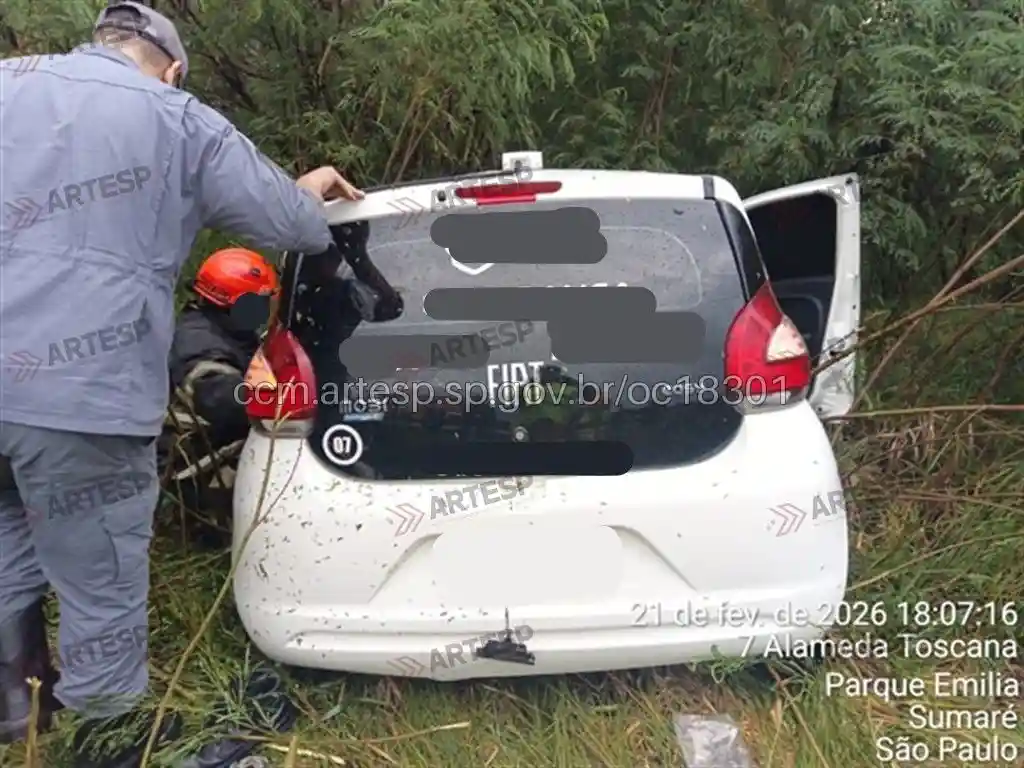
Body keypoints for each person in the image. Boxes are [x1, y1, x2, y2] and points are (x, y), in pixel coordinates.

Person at [0, 2, 363, 764]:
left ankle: (16, 707)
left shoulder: (9, 84)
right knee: (100, 578)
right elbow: (290, 227)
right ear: (171, 66)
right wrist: (305, 197)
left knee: (7, 540)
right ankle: (109, 743)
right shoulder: (176, 115)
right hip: (78, 393)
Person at [159, 248, 278, 547]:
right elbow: (231, 403)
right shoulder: (200, 345)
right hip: (188, 483)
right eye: (260, 301)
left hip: (199, 455)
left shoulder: (226, 330)